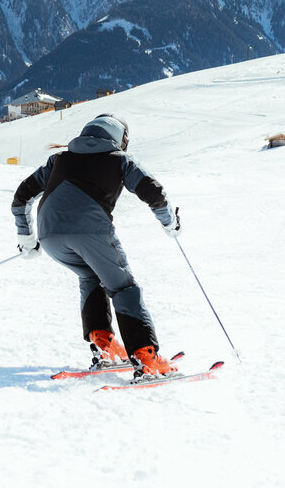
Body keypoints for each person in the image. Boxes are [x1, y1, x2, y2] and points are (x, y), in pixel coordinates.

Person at [11, 113, 182, 380]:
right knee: (123, 287)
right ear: (120, 139)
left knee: (91, 276)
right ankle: (147, 360)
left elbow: (21, 197)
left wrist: (27, 240)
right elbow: (153, 192)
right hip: (91, 232)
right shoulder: (120, 160)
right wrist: (170, 223)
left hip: (50, 236)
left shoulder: (59, 159)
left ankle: (105, 347)